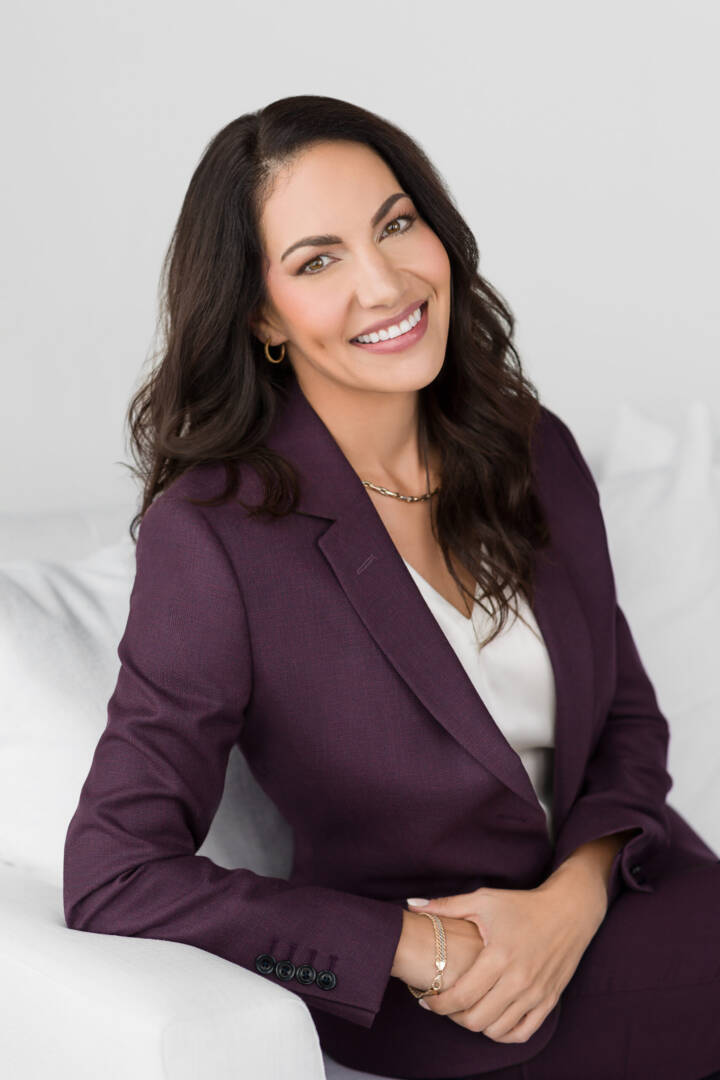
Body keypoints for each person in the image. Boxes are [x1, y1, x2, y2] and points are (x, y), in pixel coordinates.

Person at [63, 95, 720, 1080]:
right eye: (317, 261)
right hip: (452, 999)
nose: (384, 283)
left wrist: (572, 901)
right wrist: (414, 947)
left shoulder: (530, 447)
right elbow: (115, 875)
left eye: (397, 224)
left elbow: (625, 715)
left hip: (629, 899)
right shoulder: (215, 536)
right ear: (260, 315)